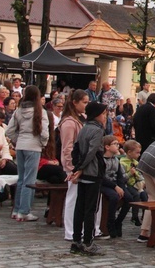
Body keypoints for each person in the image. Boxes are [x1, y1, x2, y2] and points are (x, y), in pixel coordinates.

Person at [69, 102, 109, 256]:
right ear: (97, 115)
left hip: (84, 172)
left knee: (80, 207)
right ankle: (88, 242)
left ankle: (76, 240)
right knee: (90, 209)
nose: (105, 116)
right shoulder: (98, 130)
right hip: (92, 172)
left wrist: (78, 167)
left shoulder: (84, 127)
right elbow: (92, 152)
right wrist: (80, 168)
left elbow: (77, 148)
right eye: (103, 113)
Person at [6, 85, 49, 222]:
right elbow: (44, 132)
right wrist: (42, 143)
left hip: (21, 145)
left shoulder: (18, 111)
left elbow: (9, 131)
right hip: (33, 145)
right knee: (29, 180)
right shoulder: (40, 111)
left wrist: (17, 140)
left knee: (21, 178)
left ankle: (17, 209)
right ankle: (24, 211)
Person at [59, 89, 92, 242]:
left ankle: (78, 228)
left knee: (80, 197)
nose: (86, 105)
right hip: (72, 164)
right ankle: (70, 230)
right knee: (72, 197)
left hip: (81, 163)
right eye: (84, 102)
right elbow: (67, 147)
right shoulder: (68, 123)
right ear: (75, 103)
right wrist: (72, 167)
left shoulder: (81, 119)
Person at [101, 135, 131, 238]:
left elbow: (120, 176)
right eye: (115, 144)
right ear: (107, 147)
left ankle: (119, 221)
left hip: (116, 184)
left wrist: (121, 187)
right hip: (105, 184)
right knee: (113, 197)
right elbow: (102, 178)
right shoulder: (101, 160)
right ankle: (110, 223)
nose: (118, 146)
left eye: (118, 144)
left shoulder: (116, 160)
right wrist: (115, 187)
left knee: (129, 198)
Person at [119, 140, 147, 227]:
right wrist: (130, 173)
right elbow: (122, 178)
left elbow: (140, 174)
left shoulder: (136, 163)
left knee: (145, 196)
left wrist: (142, 180)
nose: (139, 155)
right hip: (128, 185)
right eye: (137, 153)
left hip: (137, 185)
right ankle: (135, 216)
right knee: (136, 196)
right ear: (129, 152)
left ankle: (145, 217)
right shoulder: (122, 163)